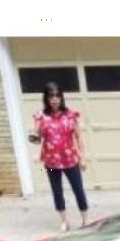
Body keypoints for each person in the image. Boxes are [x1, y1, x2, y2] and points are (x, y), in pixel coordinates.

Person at [32, 82, 89, 232]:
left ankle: (85, 219)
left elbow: (79, 137)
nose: (55, 99)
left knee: (78, 189)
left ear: (61, 97)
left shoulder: (70, 115)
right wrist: (34, 138)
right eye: (51, 96)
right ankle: (64, 221)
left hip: (70, 160)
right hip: (51, 163)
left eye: (57, 95)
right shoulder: (41, 116)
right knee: (57, 190)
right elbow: (37, 137)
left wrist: (82, 158)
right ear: (46, 98)